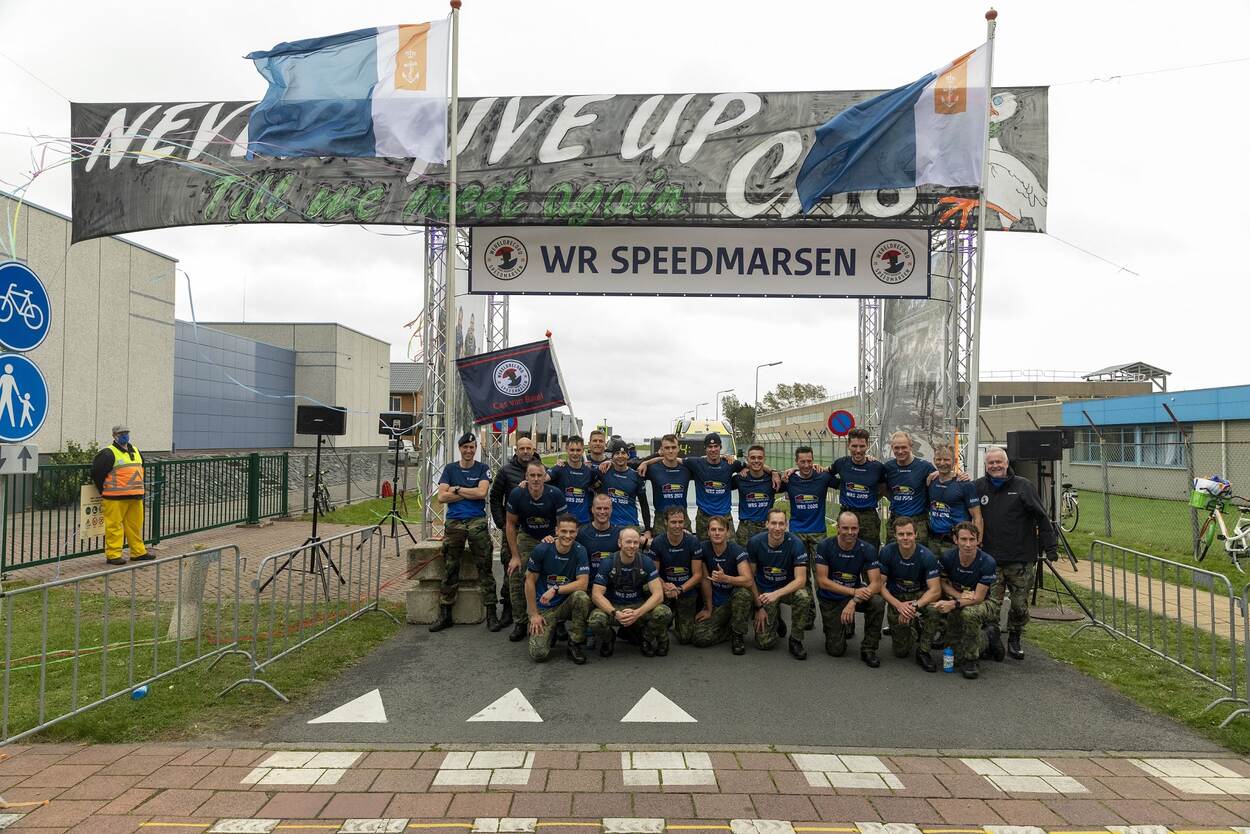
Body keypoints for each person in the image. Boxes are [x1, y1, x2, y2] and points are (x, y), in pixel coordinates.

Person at [976, 446, 1057, 661]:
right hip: (990, 560)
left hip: (1020, 559)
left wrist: (1051, 547)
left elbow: (1041, 517)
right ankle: (992, 639)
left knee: (1020, 606)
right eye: (991, 462)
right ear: (986, 465)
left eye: (998, 462)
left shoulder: (1023, 486)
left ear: (1006, 463)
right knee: (991, 606)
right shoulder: (978, 487)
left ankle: (1015, 637)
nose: (995, 466)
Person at [432, 432, 496, 633]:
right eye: (465, 447)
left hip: (477, 521)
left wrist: (457, 489)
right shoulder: (450, 469)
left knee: (485, 566)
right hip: (455, 521)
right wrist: (470, 491)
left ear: (475, 449)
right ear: (460, 448)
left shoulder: (483, 468)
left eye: (472, 447)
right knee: (450, 566)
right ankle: (446, 613)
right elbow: (441, 498)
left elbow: (482, 493)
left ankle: (491, 612)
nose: (469, 450)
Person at [505, 460, 568, 642]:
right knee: (517, 573)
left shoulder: (555, 494)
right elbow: (510, 524)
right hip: (527, 536)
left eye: (539, 475)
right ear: (526, 477)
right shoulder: (517, 494)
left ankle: (558, 621)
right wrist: (515, 556)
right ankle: (520, 621)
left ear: (544, 477)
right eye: (532, 475)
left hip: (551, 537)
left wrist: (555, 539)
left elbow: (563, 526)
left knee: (557, 575)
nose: (535, 479)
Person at [813, 511, 885, 667]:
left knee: (878, 602)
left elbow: (876, 583)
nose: (850, 532)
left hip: (855, 595)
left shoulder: (867, 549)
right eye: (845, 528)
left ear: (859, 529)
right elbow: (822, 581)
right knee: (836, 650)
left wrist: (854, 600)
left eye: (854, 528)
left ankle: (869, 648)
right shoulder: (825, 546)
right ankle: (843, 624)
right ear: (838, 528)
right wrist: (853, 592)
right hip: (831, 597)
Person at [589, 527, 673, 657]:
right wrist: (615, 613)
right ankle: (609, 638)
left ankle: (646, 638)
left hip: (638, 606)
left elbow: (658, 595)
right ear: (619, 543)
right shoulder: (608, 562)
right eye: (628, 542)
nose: (632, 546)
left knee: (664, 612)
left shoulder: (645, 561)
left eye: (635, 542)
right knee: (595, 620)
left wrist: (638, 613)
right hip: (615, 606)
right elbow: (596, 595)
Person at [934, 521, 1002, 679]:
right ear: (955, 540)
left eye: (972, 539)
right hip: (961, 597)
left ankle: (972, 660)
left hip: (986, 602)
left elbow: (978, 598)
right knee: (955, 655)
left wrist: (954, 603)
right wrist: (958, 596)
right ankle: (987, 637)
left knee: (969, 614)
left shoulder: (987, 561)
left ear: (978, 540)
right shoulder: (947, 557)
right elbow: (942, 583)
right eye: (963, 539)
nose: (968, 544)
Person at [877, 516, 942, 671]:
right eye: (901, 534)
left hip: (919, 596)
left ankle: (923, 651)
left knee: (934, 609)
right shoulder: (886, 552)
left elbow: (935, 590)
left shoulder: (927, 556)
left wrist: (914, 607)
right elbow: (879, 585)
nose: (905, 538)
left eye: (909, 534)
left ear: (916, 534)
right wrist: (898, 605)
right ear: (895, 535)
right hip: (897, 597)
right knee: (901, 652)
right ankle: (914, 626)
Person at [746, 508, 813, 659]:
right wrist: (758, 607)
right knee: (764, 644)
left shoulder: (796, 543)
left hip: (786, 590)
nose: (777, 528)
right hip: (765, 592)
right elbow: (750, 578)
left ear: (786, 525)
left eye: (781, 524)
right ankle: (775, 619)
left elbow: (801, 580)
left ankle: (796, 640)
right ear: (766, 524)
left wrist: (776, 594)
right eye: (773, 523)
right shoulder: (755, 543)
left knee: (803, 596)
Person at [488, 434, 540, 630]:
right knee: (511, 569)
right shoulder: (506, 471)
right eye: (522, 448)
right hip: (512, 528)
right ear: (516, 450)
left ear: (533, 450)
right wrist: (502, 524)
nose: (525, 451)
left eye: (529, 448)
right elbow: (495, 498)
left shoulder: (541, 470)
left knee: (535, 570)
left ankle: (536, 610)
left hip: (534, 529)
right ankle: (509, 609)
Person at [524, 514, 591, 664]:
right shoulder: (542, 549)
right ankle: (552, 628)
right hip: (545, 606)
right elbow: (529, 581)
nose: (568, 536)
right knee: (538, 654)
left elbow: (583, 584)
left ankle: (574, 643)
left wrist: (555, 589)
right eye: (564, 531)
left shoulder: (580, 551)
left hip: (565, 603)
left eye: (572, 532)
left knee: (581, 597)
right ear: (556, 531)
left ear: (577, 532)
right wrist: (533, 614)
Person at [692, 515, 754, 654]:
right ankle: (730, 627)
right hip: (716, 601)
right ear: (708, 532)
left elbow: (748, 580)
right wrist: (708, 608)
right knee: (698, 638)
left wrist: (726, 578)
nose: (717, 533)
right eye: (713, 529)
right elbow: (705, 580)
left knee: (743, 594)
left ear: (728, 532)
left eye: (720, 529)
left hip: (734, 600)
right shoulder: (703, 549)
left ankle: (737, 635)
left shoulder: (736, 550)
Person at [91, 424, 150, 566]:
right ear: (114, 436)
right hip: (114, 498)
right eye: (121, 433)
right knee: (114, 527)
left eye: (126, 433)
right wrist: (104, 490)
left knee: (135, 526)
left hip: (135, 497)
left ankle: (138, 552)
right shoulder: (107, 453)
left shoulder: (135, 451)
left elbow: (141, 470)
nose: (124, 435)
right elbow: (97, 474)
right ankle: (113, 555)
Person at [647, 506, 704, 646]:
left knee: (685, 638)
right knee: (659, 620)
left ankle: (678, 617)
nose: (677, 526)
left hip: (686, 590)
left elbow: (698, 575)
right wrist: (665, 586)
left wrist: (679, 589)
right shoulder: (657, 543)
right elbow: (653, 573)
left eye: (680, 522)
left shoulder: (693, 542)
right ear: (665, 522)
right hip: (665, 590)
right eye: (673, 522)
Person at [830, 428, 887, 549]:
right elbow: (825, 473)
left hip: (868, 516)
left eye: (862, 446)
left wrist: (873, 499)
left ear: (868, 445)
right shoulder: (841, 463)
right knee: (844, 550)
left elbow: (883, 488)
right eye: (854, 446)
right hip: (846, 513)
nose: (858, 450)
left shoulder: (877, 467)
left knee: (870, 551)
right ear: (848, 445)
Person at [781, 446, 836, 560]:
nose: (806, 465)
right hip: (797, 532)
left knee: (820, 568)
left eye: (809, 461)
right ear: (796, 461)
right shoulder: (788, 479)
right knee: (799, 568)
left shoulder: (823, 477)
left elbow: (845, 482)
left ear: (813, 460)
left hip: (818, 532)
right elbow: (769, 482)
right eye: (802, 462)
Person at [883, 431, 937, 546]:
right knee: (892, 554)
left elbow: (944, 479)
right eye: (896, 448)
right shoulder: (888, 467)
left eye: (904, 447)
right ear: (892, 448)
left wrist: (955, 474)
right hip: (895, 521)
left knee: (919, 555)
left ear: (911, 446)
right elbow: (882, 488)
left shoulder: (925, 467)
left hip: (918, 522)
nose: (900, 451)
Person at [927, 443, 983, 548]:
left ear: (955, 461)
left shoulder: (965, 484)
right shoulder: (931, 481)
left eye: (946, 459)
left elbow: (977, 516)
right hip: (933, 540)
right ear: (934, 460)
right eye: (939, 459)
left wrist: (977, 543)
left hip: (956, 541)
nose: (942, 463)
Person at [598, 440, 651, 536]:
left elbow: (644, 504)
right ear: (612, 456)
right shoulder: (604, 472)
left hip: (630, 525)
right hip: (608, 525)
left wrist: (647, 529)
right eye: (617, 453)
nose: (620, 456)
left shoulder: (636, 476)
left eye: (623, 453)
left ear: (628, 455)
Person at [643, 434, 692, 537]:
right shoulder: (653, 469)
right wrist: (645, 463)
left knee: (688, 546)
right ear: (662, 450)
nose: (670, 451)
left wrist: (723, 456)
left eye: (673, 447)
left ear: (678, 448)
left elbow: (705, 462)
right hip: (661, 519)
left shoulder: (687, 469)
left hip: (682, 518)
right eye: (667, 448)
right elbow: (629, 465)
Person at [547, 435, 599, 524]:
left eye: (578, 450)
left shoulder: (589, 471)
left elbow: (599, 487)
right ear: (566, 450)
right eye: (572, 450)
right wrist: (527, 482)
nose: (575, 453)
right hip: (564, 522)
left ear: (583, 450)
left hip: (583, 522)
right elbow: (541, 479)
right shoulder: (559, 468)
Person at [575, 493, 621, 588]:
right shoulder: (581, 533)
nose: (602, 512)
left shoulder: (620, 533)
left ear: (611, 510)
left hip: (613, 587)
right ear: (592, 509)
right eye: (599, 508)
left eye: (606, 508)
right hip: (588, 586)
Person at [734, 445, 776, 545]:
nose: (756, 461)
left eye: (760, 458)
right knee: (742, 555)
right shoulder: (740, 478)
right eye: (753, 458)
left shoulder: (773, 479)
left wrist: (774, 472)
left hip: (766, 528)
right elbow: (721, 479)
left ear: (764, 459)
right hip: (745, 529)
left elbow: (794, 477)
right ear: (747, 459)